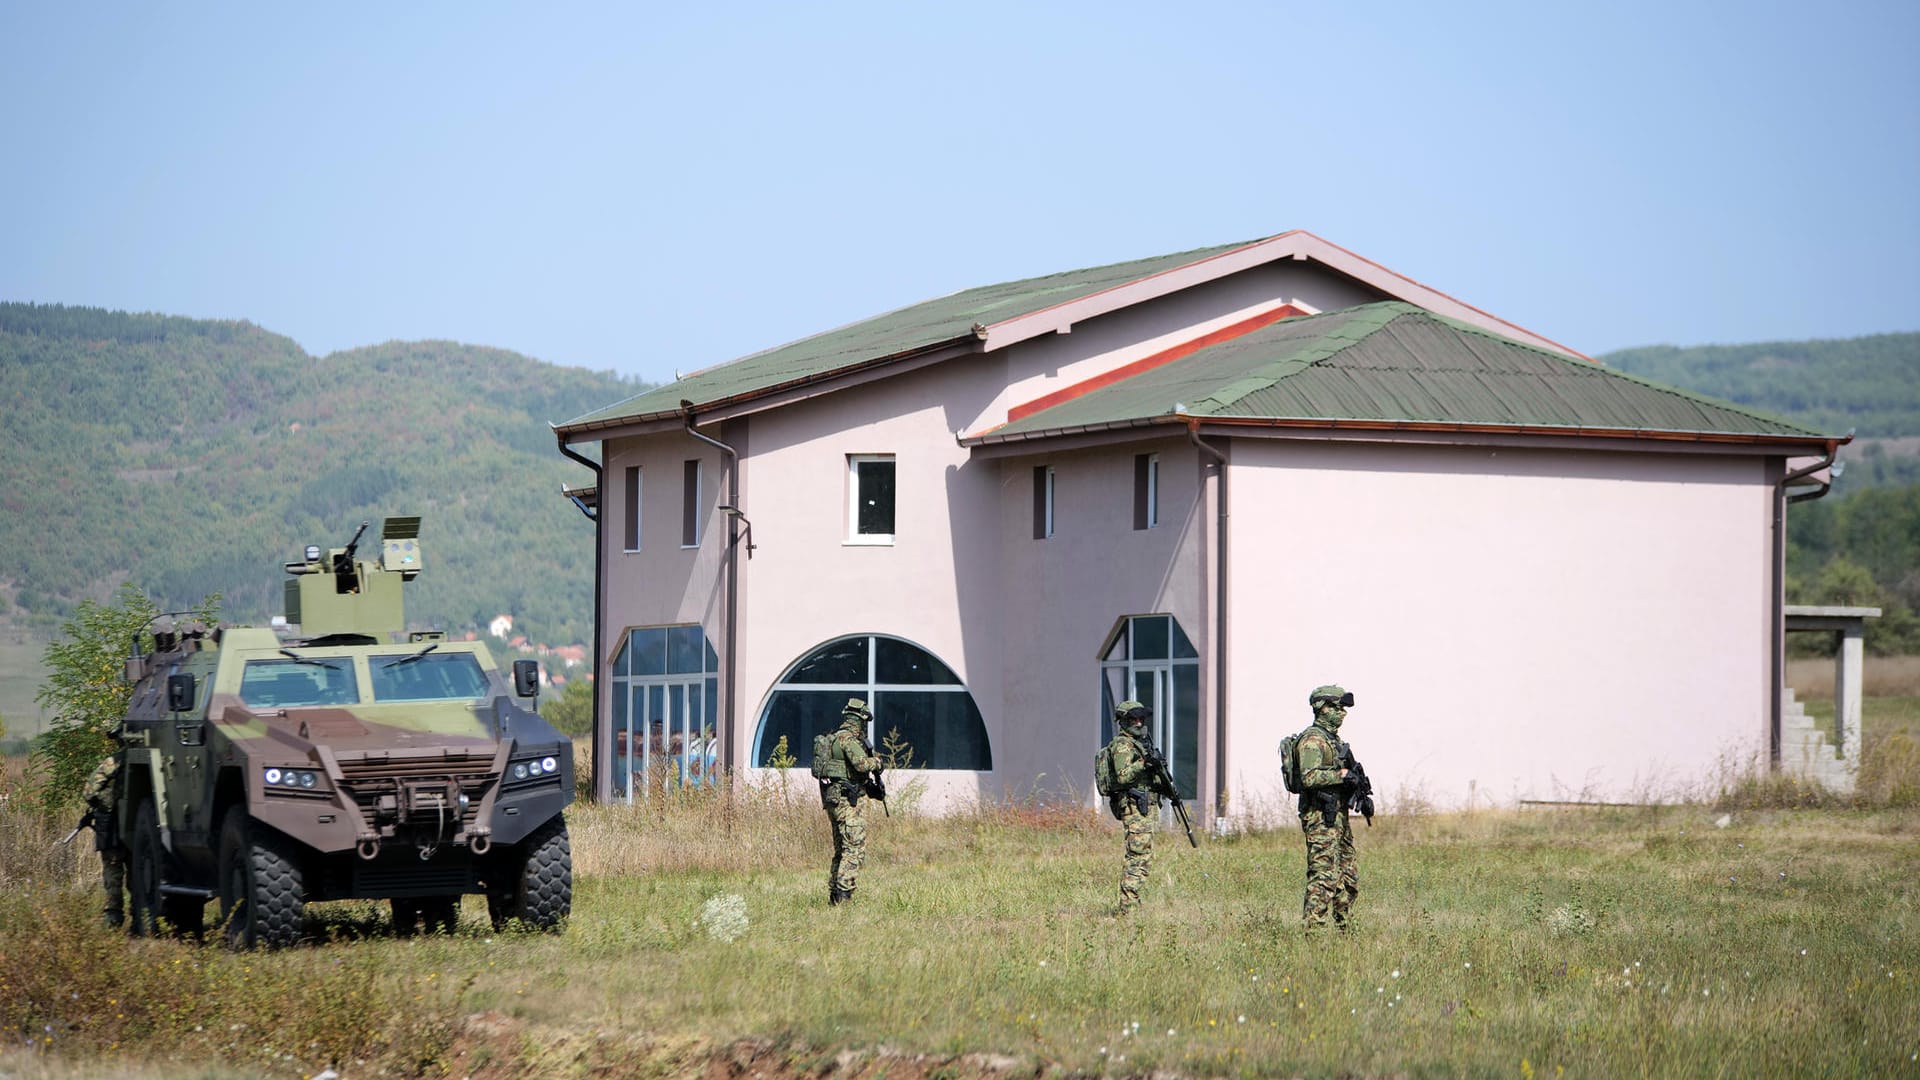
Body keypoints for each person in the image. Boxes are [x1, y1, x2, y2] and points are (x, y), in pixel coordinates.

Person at [1294, 684, 1361, 930]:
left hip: (1338, 819)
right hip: (1320, 818)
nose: (1342, 713)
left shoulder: (1333, 741)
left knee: (1348, 877)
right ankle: (1314, 935)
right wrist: (1341, 774)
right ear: (1322, 708)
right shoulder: (1312, 740)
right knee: (1323, 877)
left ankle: (1346, 929)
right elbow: (1309, 777)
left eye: (1343, 708)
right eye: (1337, 707)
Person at [815, 697, 884, 905]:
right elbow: (862, 765)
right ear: (859, 721)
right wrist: (878, 763)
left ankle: (834, 895)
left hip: (833, 800)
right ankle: (844, 897)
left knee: (841, 850)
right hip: (847, 802)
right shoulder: (848, 741)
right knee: (854, 849)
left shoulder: (833, 738)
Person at [1098, 700, 1159, 915]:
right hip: (1134, 806)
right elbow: (1123, 776)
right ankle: (1127, 908)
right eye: (1134, 719)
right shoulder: (1122, 745)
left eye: (1141, 718)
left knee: (1145, 857)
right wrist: (1144, 762)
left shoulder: (1140, 743)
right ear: (1123, 721)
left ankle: (1133, 901)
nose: (1139, 722)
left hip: (1145, 808)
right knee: (1137, 856)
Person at [80, 730, 128, 929]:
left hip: (111, 824)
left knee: (113, 871)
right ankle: (141, 916)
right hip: (138, 826)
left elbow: (89, 792)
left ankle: (113, 917)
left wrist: (101, 806)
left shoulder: (114, 762)